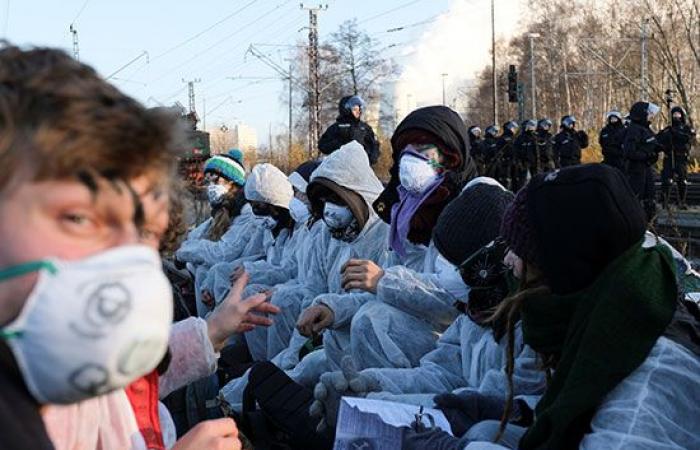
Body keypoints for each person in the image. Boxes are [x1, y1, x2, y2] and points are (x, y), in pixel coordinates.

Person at [0, 44, 244, 449]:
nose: (126, 269)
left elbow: (129, 385)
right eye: (79, 217)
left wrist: (213, 330)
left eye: (145, 234)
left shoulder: (55, 367)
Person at [460, 164, 700, 450]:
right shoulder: (608, 316)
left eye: (521, 251)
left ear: (564, 267)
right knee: (485, 434)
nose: (508, 261)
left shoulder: (650, 377)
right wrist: (525, 410)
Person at [308, 179, 545, 435]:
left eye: (455, 265)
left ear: (489, 266)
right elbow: (442, 373)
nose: (444, 274)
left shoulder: (533, 328)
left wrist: (387, 406)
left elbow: (485, 406)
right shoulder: (475, 310)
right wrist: (371, 385)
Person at [218, 141, 389, 413]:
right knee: (290, 366)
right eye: (324, 202)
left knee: (305, 367)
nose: (329, 210)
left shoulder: (386, 235)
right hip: (329, 332)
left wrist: (330, 312)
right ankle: (246, 392)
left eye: (337, 200)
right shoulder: (325, 234)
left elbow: (382, 302)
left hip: (371, 343)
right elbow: (312, 288)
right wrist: (295, 349)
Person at [373, 106, 479, 222]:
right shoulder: (393, 197)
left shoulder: (475, 203)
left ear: (450, 155)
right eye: (406, 150)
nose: (413, 160)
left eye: (423, 149)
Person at [623, 101, 662, 221]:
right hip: (636, 169)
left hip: (646, 167)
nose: (650, 117)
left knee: (650, 194)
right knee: (636, 196)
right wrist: (646, 155)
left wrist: (660, 146)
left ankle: (649, 221)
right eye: (648, 114)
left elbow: (652, 142)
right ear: (641, 114)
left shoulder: (645, 129)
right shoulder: (634, 130)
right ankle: (633, 219)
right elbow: (629, 152)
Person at [318, 95, 380, 165]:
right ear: (346, 109)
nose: (358, 111)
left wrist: (371, 158)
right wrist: (339, 144)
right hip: (339, 165)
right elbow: (322, 145)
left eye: (359, 109)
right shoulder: (336, 127)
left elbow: (374, 145)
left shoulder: (364, 128)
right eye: (355, 109)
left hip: (361, 166)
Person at [657, 106, 696, 210]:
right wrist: (666, 139)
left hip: (681, 158)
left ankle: (682, 202)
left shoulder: (687, 128)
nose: (676, 116)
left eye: (678, 114)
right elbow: (658, 140)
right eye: (674, 114)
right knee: (667, 181)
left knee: (682, 181)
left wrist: (675, 133)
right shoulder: (668, 129)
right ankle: (665, 203)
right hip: (669, 157)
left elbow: (688, 138)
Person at [492, 121, 519, 190]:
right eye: (513, 128)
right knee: (506, 181)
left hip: (515, 162)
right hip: (505, 163)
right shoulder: (502, 139)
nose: (514, 130)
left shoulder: (516, 138)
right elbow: (498, 151)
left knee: (516, 180)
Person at [513, 120, 538, 191]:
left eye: (532, 126)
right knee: (523, 182)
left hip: (534, 163)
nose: (531, 128)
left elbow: (537, 152)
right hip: (524, 163)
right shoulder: (520, 138)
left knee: (535, 180)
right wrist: (519, 163)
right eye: (530, 126)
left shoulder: (535, 137)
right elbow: (516, 152)